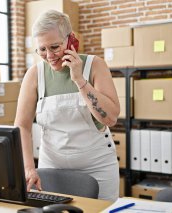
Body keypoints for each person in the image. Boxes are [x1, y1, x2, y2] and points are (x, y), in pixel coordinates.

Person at [14, 10, 120, 201]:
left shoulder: (95, 66)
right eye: (42, 49)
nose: (49, 55)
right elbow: (22, 125)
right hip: (52, 168)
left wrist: (80, 80)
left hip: (97, 169)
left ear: (71, 40)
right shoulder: (34, 75)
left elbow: (110, 118)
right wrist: (29, 167)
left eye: (55, 47)